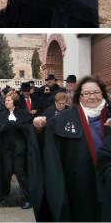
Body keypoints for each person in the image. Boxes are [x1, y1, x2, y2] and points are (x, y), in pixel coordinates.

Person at [33, 76, 111, 221]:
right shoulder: (65, 118)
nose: (92, 97)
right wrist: (38, 128)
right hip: (80, 186)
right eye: (87, 93)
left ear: (103, 94)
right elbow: (48, 146)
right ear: (79, 97)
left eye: (96, 92)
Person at [0, 92, 43, 212]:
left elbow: (29, 131)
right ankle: (5, 195)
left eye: (9, 100)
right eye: (5, 100)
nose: (6, 102)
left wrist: (18, 126)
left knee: (20, 173)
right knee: (6, 172)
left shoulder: (23, 114)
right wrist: (4, 128)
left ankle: (29, 198)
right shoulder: (1, 115)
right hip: (5, 148)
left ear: (14, 102)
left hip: (20, 148)